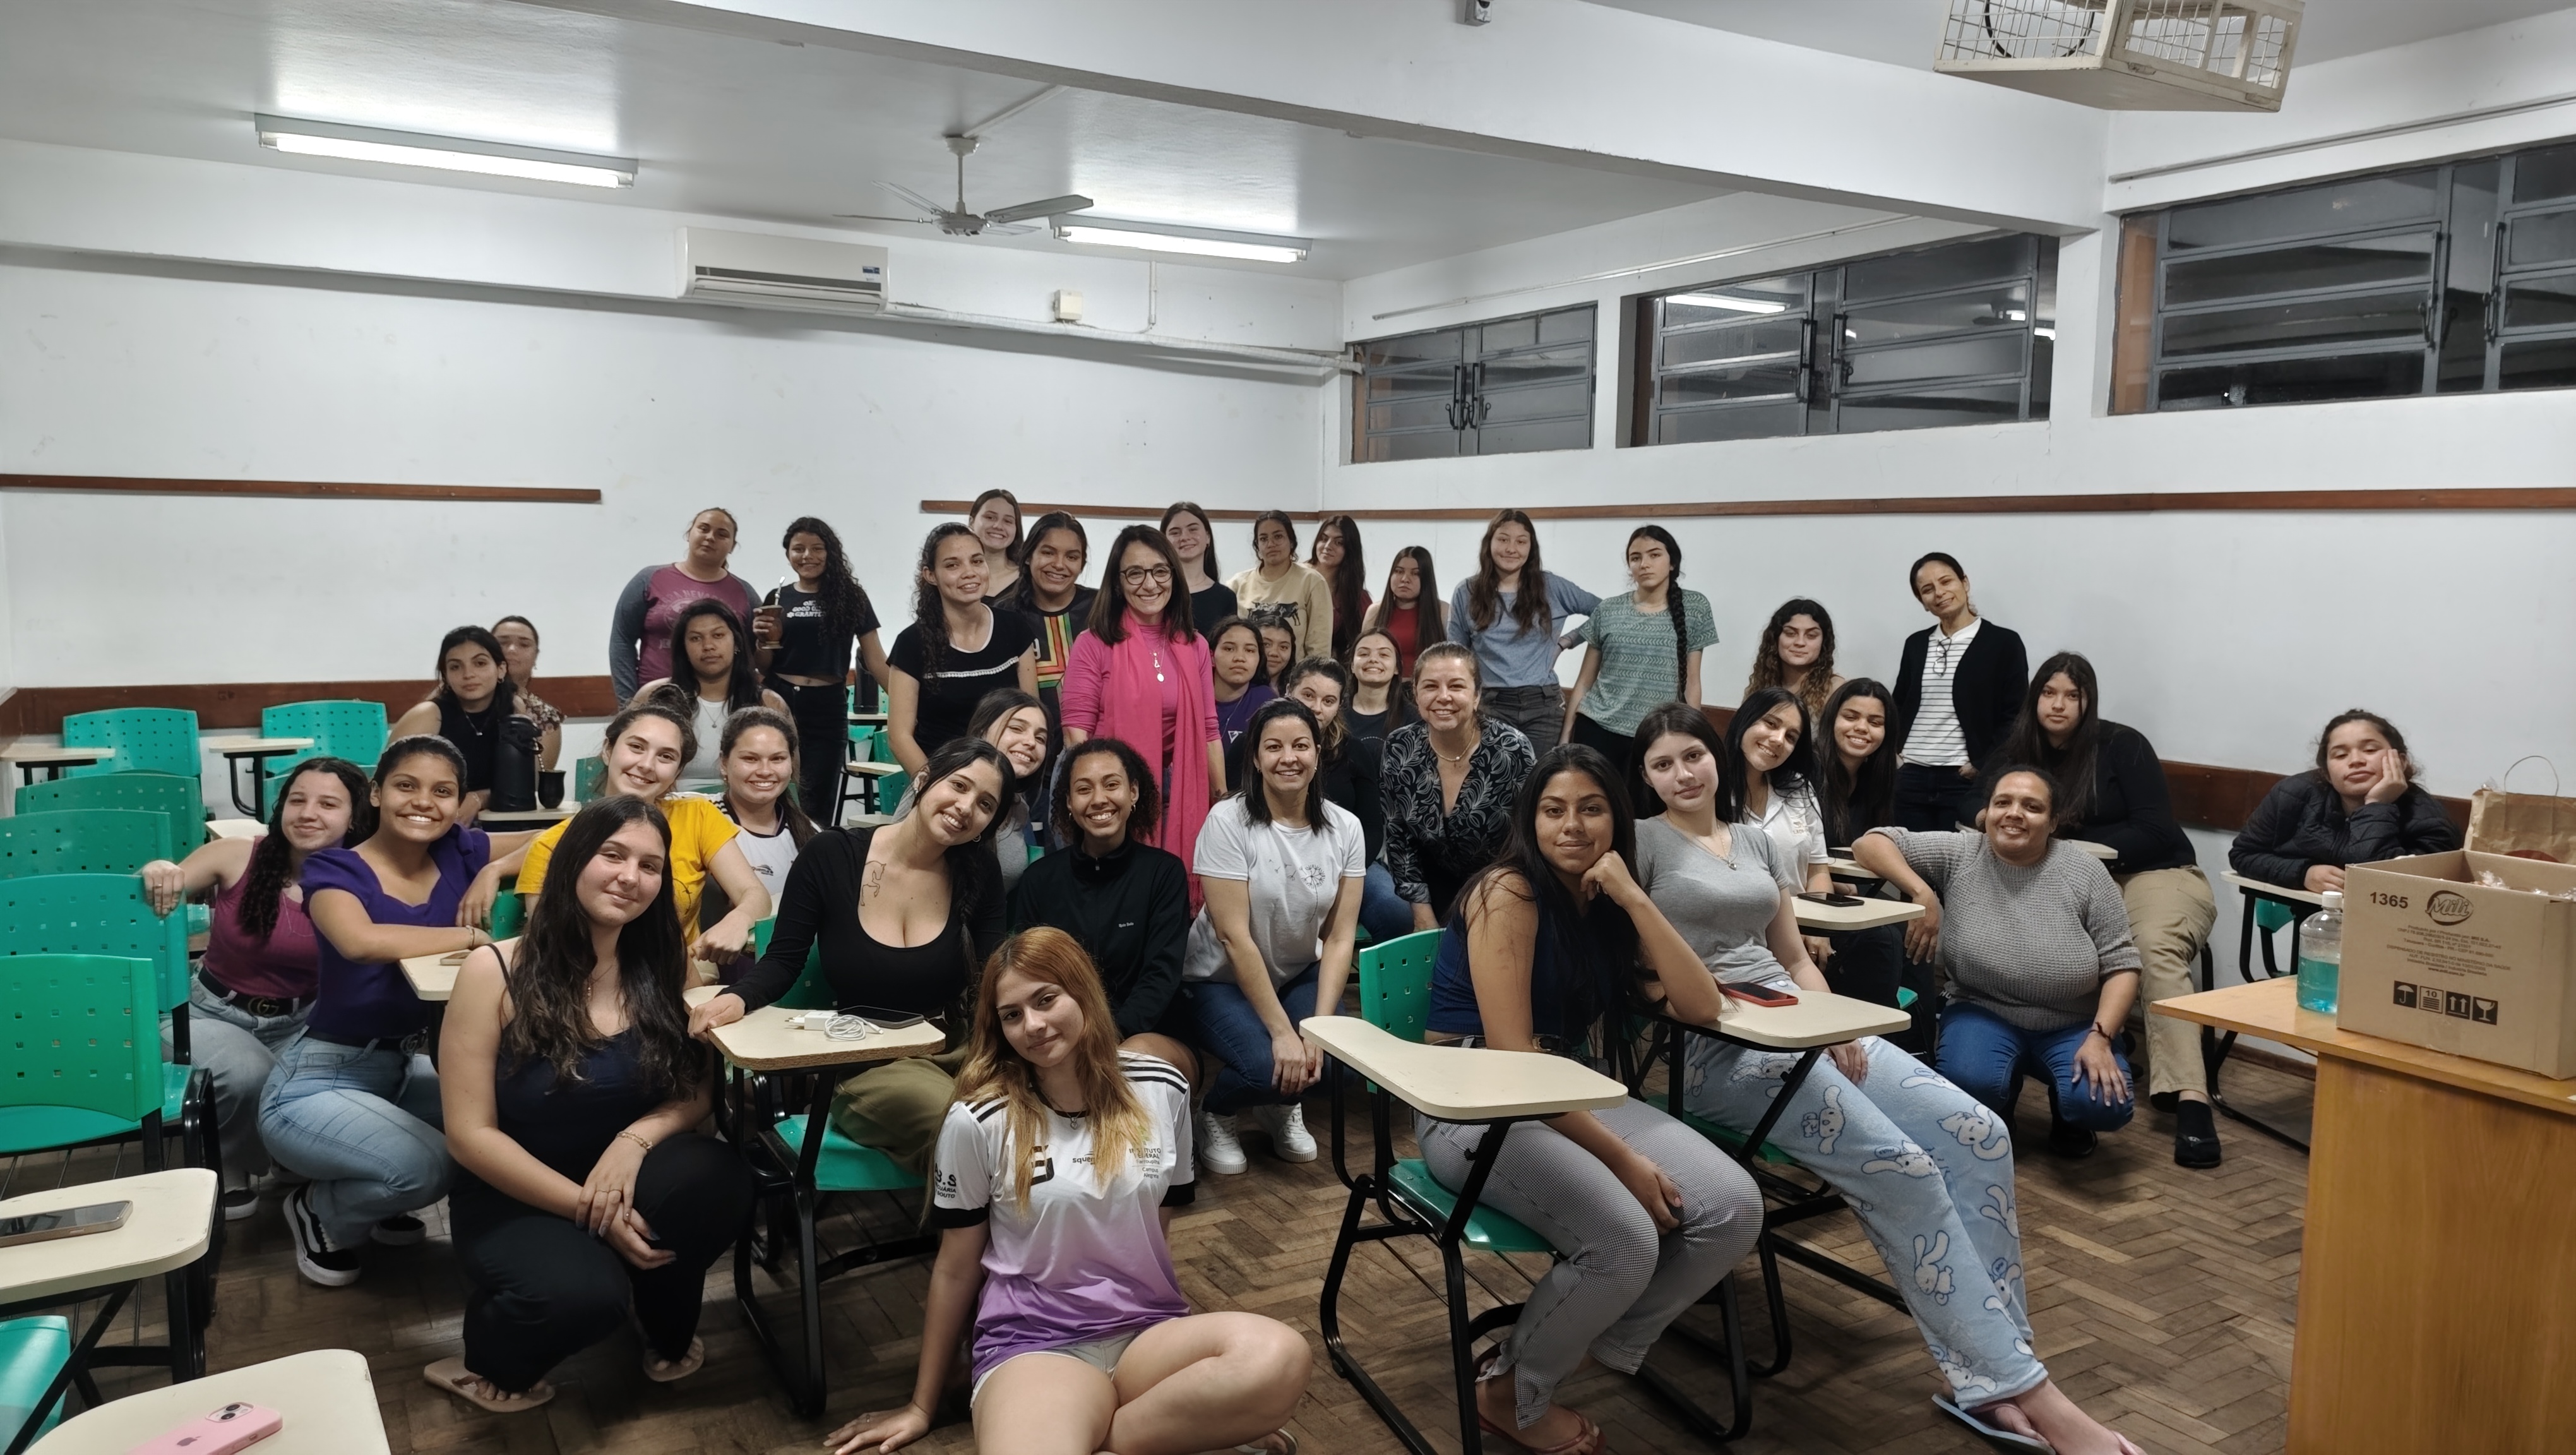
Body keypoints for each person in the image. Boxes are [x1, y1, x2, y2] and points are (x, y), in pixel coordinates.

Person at [1630, 710, 2147, 1455]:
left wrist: (1836, 1023)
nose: (1683, 774)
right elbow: (1641, 975)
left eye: (1693, 756)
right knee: (1903, 1168)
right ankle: (2025, 1390)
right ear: (1646, 778)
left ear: (1716, 758)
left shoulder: (1756, 841)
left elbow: (1793, 957)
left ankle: (1994, 1372)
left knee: (1980, 1133)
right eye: (1662, 764)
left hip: (1802, 1022)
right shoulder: (1641, 843)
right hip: (1717, 1050)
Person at [821, 928, 1306, 1455]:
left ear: (1083, 992)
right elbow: (955, 1268)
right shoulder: (978, 1120)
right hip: (1034, 1346)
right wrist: (922, 1406)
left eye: (1046, 999)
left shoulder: (1161, 1088)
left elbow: (1155, 1234)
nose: (1033, 1025)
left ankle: (1106, 1438)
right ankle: (1167, 1436)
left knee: (1278, 1356)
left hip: (1148, 1334)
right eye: (1012, 1015)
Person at [1421, 743, 1761, 1455]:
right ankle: (1513, 1394)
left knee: (1733, 1209)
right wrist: (1623, 1162)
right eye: (1553, 811)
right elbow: (1513, 1064)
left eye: (1591, 809)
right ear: (1531, 821)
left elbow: (1702, 1006)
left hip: (1567, 1090)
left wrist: (1636, 898)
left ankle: (1559, 1352)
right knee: (1624, 1240)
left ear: (1618, 820)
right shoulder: (1507, 892)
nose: (1571, 826)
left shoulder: (1605, 900)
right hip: (1473, 1105)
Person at [426, 797, 754, 1413]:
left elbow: (695, 1093)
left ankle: (659, 1317)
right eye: (613, 855)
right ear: (573, 859)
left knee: (718, 1179)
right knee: (583, 1298)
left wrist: (633, 1142)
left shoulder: (668, 966)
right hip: (516, 1193)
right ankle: (488, 1355)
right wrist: (590, 1208)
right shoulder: (493, 971)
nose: (631, 877)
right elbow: (470, 1136)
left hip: (630, 1176)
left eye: (650, 866)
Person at [688, 738, 1013, 1176]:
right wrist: (738, 997)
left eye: (986, 804)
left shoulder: (978, 871)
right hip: (868, 1062)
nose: (966, 807)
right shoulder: (832, 855)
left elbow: (994, 976)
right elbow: (784, 959)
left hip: (958, 1049)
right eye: (959, 785)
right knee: (968, 1128)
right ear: (923, 780)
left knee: (1025, 1122)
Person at [260, 738, 505, 1287]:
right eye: (406, 786)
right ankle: (319, 1211)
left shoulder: (459, 850)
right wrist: (471, 935)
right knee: (432, 1165)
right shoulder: (335, 867)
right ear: (375, 793)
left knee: (504, 1114)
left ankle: (382, 1196)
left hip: (402, 1069)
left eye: (442, 792)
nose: (423, 802)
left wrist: (495, 872)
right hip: (318, 1081)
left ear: (460, 803)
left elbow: (563, 840)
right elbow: (361, 942)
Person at [1995, 654, 2220, 1168]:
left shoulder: (2122, 744)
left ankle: (2191, 1098)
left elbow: (2156, 829)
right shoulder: (2019, 748)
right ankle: (2072, 1066)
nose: (2058, 705)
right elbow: (1975, 804)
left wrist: (2072, 846)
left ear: (2088, 701)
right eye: (2049, 693)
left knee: (2152, 949)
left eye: (2072, 695)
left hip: (2152, 872)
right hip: (2074, 877)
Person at [1854, 768, 2144, 1159]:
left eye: (2032, 807)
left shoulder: (2086, 872)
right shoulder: (1962, 852)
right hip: (1982, 1010)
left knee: (2103, 1105)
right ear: (1986, 812)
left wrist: (2101, 1038)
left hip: (2072, 1022)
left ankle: (2070, 1116)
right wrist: (1921, 892)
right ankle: (1998, 1109)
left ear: (2053, 822)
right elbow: (1871, 843)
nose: (2014, 813)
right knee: (1970, 1083)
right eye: (2002, 802)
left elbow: (2123, 965)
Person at [141, 757, 371, 1222]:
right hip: (207, 1011)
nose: (308, 813)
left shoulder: (365, 872)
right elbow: (163, 886)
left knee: (343, 1073)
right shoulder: (237, 854)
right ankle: (231, 1163)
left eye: (328, 804)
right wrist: (158, 867)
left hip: (303, 1017)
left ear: (354, 818)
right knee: (249, 1073)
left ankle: (290, 1153)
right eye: (297, 800)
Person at [1183, 699, 1364, 1176]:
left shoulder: (1346, 827)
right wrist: (1285, 1033)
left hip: (1297, 972)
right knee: (1266, 1064)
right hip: (1219, 978)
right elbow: (1233, 937)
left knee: (1338, 1064)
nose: (1289, 758)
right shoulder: (1228, 821)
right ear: (1256, 757)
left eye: (1301, 745)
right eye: (1274, 747)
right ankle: (1216, 1112)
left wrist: (1318, 1030)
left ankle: (1280, 1103)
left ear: (1318, 753)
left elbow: (1341, 937)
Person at [503, 700, 770, 959]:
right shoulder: (552, 844)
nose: (646, 765)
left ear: (677, 772)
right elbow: (548, 946)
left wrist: (738, 920)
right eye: (636, 747)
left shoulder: (697, 817)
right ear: (608, 750)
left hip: (684, 971)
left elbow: (754, 894)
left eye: (666, 756)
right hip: (588, 975)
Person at [1008, 738, 1195, 1076]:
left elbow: (1161, 975)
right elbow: (1030, 976)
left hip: (1148, 1033)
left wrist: (1104, 1039)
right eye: (1084, 789)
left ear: (1133, 792)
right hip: (1062, 1037)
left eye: (1112, 785)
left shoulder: (1164, 873)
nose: (1099, 799)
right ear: (1069, 802)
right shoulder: (1039, 880)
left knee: (1124, 1065)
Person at [1383, 643, 1536, 933]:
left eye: (1456, 686)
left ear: (1476, 695)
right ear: (1415, 694)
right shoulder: (1400, 747)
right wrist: (1422, 914)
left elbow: (1529, 837)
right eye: (1431, 686)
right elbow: (1399, 836)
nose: (1443, 697)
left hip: (1501, 885)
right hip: (1431, 886)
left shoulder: (1512, 749)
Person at [2230, 708, 2460, 895]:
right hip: (2313, 922)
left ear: (2400, 762)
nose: (2356, 761)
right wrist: (2303, 874)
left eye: (2370, 749)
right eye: (2340, 755)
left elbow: (2382, 888)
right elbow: (2243, 854)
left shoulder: (2431, 822)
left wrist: (2377, 805)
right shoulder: (2293, 795)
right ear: (2327, 773)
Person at [752, 517, 889, 819]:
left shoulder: (851, 597)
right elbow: (764, 665)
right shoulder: (777, 597)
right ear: (788, 554)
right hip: (779, 699)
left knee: (819, 796)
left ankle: (813, 848)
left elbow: (876, 659)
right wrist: (762, 641)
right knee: (774, 786)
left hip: (827, 704)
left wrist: (909, 705)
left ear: (831, 552)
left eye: (817, 548)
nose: (807, 556)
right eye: (798, 549)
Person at [1272, 658, 1410, 946]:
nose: (1317, 708)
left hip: (1347, 861)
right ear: (1289, 691)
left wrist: (1347, 871)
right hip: (1275, 860)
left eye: (1328, 701)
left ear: (1339, 706)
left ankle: (1369, 974)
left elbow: (1372, 827)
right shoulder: (1258, 745)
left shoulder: (1354, 752)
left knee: (1395, 912)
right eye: (1308, 695)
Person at [1563, 525, 1715, 784]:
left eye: (1654, 555)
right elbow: (1584, 682)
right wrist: (1566, 735)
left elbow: (1692, 683)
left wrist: (1693, 738)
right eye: (1636, 558)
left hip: (1657, 735)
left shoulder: (1695, 607)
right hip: (1598, 730)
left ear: (1672, 562)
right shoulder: (1608, 609)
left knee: (1646, 808)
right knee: (1596, 804)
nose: (1644, 564)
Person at [886, 522, 1042, 775]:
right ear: (930, 575)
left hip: (1006, 778)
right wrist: (936, 785)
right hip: (939, 778)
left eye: (977, 561)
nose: (969, 572)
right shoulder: (911, 643)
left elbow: (1030, 715)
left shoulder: (1015, 628)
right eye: (952, 565)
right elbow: (899, 737)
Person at [1891, 553, 2027, 834]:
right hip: (1912, 774)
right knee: (1908, 856)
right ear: (1922, 601)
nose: (1939, 593)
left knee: (1959, 857)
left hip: (1963, 779)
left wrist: (1981, 765)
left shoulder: (2003, 643)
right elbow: (1899, 704)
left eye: (1946, 582)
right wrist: (1897, 755)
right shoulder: (1916, 644)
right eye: (1928, 589)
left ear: (1965, 583)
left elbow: (2015, 716)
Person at [1448, 509, 1597, 748]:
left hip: (1543, 705)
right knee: (1491, 772)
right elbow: (1456, 655)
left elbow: (1604, 612)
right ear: (1489, 543)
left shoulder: (1552, 587)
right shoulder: (1467, 591)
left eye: (1521, 541)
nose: (1511, 549)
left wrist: (1567, 642)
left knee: (1541, 773)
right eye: (1503, 539)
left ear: (1531, 548)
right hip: (1489, 705)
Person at [1811, 679, 1915, 1020]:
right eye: (1851, 717)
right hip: (1805, 893)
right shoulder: (1808, 769)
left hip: (1852, 893)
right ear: (1832, 719)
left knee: (1913, 929)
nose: (1861, 728)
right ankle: (1868, 1033)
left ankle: (1911, 1041)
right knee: (1885, 938)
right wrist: (1827, 878)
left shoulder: (1879, 778)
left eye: (1874, 722)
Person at [1721, 688, 1841, 978]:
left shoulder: (1798, 788)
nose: (1778, 740)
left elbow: (1817, 871)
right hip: (1739, 933)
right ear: (1745, 720)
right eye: (1771, 723)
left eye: (1791, 737)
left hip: (1800, 928)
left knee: (1881, 940)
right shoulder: (1712, 788)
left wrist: (1818, 929)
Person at [390, 626, 542, 823]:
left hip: (497, 822)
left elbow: (525, 785)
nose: (468, 674)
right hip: (430, 822)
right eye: (456, 667)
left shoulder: (513, 708)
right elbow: (392, 788)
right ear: (446, 675)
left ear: (501, 669)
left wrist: (479, 798)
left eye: (480, 663)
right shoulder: (427, 715)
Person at [634, 601, 788, 792]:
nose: (708, 646)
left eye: (718, 635)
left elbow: (788, 779)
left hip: (746, 806)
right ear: (684, 648)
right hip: (667, 805)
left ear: (737, 642)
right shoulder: (653, 696)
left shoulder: (769, 703)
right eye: (696, 638)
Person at [610, 507, 760, 704]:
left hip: (722, 704)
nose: (710, 537)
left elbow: (753, 652)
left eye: (722, 534)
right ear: (689, 534)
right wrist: (628, 703)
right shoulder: (649, 579)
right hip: (655, 701)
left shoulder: (744, 592)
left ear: (732, 546)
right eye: (704, 529)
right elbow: (622, 641)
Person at [701, 707, 817, 949]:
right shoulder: (700, 816)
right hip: (719, 958)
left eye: (777, 759)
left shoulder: (810, 833)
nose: (765, 771)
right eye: (750, 759)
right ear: (724, 763)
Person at [1010, 511, 1098, 729]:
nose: (1059, 565)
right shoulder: (1005, 616)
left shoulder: (1103, 607)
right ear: (1028, 556)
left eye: (1072, 557)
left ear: (1082, 564)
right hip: (1031, 740)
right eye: (1048, 553)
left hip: (1098, 740)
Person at [1226, 512, 1332, 664]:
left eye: (1278, 536)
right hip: (1247, 672)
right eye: (1264, 539)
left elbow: (1319, 648)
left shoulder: (1312, 582)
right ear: (1257, 546)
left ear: (1291, 541)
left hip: (1295, 674)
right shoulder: (1237, 584)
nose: (1271, 544)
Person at [1743, 597, 1846, 730]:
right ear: (1775, 638)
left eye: (1811, 635)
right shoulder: (1759, 686)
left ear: (1824, 643)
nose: (1800, 642)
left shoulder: (1837, 690)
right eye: (1791, 634)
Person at [489, 616, 563, 770]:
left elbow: (537, 777)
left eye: (524, 644)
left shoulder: (545, 716)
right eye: (502, 643)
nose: (512, 649)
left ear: (536, 656)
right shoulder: (466, 698)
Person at [1359, 545, 1445, 676]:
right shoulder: (1375, 611)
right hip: (1382, 685)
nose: (1405, 579)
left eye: (1415, 574)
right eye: (1399, 571)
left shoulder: (1442, 611)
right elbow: (1363, 655)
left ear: (1427, 579)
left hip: (1424, 684)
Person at [1207, 616, 1276, 775]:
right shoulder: (1191, 697)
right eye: (1229, 649)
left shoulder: (1266, 701)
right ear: (1211, 656)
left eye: (1250, 650)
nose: (1240, 658)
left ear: (1260, 659)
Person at [1160, 501, 1237, 637]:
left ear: (1208, 537)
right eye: (1175, 533)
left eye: (1193, 529)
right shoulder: (1157, 593)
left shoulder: (1226, 597)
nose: (1184, 537)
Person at [1309, 513, 1369, 661]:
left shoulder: (1358, 598)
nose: (1328, 546)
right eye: (1324, 539)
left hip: (1334, 667)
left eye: (1339, 543)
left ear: (1350, 550)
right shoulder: (1297, 577)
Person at [1343, 629, 1411, 746]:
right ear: (1352, 666)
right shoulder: (1336, 711)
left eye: (1383, 655)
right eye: (1364, 654)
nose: (1373, 659)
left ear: (1397, 667)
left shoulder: (1412, 718)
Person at [969, 488, 1027, 602]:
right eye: (990, 517)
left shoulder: (1030, 580)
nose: (998, 526)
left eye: (1008, 521)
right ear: (972, 522)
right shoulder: (956, 575)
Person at [1251, 611, 1299, 693]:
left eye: (1283, 647)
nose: (1274, 653)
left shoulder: (1297, 689)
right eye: (1266, 644)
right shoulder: (1239, 690)